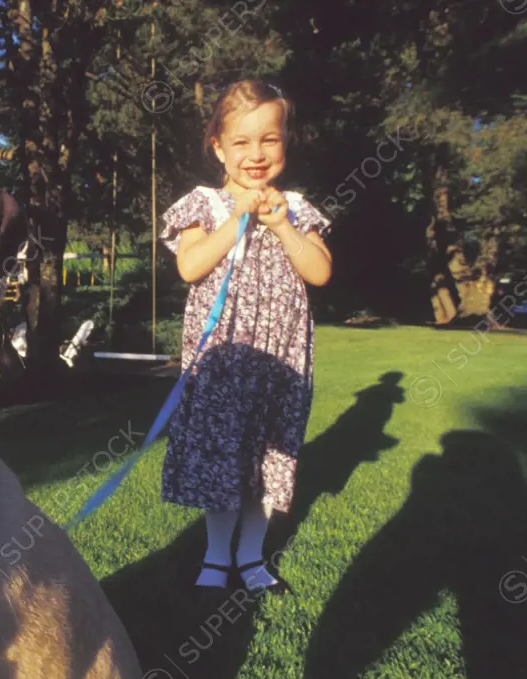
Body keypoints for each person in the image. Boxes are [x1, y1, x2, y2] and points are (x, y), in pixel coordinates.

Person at [158, 79, 333, 595]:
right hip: (224, 357)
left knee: (268, 459)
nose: (256, 154)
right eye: (241, 142)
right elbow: (190, 266)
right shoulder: (203, 203)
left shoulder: (297, 207)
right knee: (223, 452)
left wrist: (281, 226)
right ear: (217, 147)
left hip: (282, 356)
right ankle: (216, 557)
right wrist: (237, 218)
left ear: (285, 142)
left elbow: (319, 272)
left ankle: (252, 558)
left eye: (269, 140)